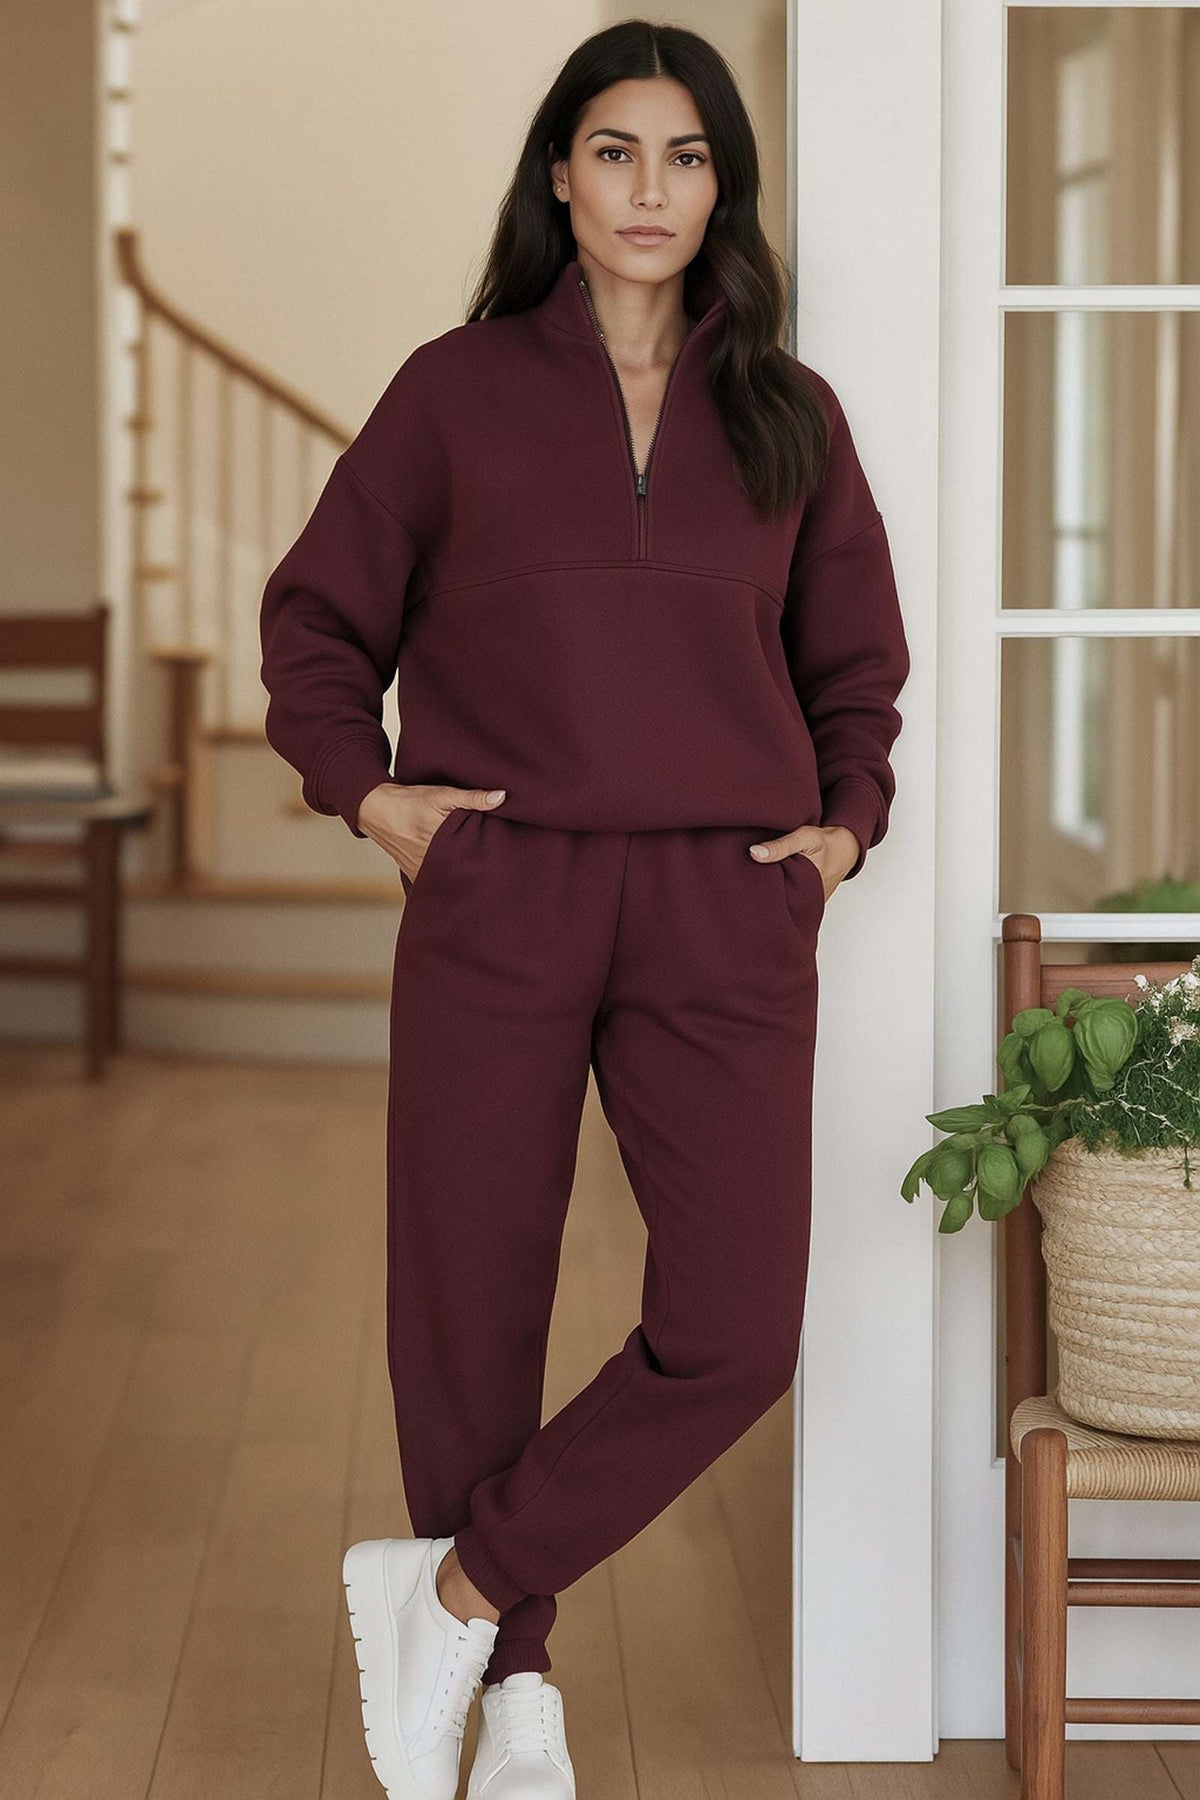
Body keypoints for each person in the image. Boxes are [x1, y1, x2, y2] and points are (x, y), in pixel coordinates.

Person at [259, 19, 910, 1800]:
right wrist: (377, 799)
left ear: (724, 190)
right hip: (504, 888)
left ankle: (462, 1590)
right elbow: (317, 621)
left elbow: (856, 660)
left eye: (688, 157)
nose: (652, 189)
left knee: (734, 1327)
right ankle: (516, 1693)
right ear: (560, 173)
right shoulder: (453, 391)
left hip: (722, 901)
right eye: (616, 151)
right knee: (470, 1303)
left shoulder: (789, 412)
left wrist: (844, 827)